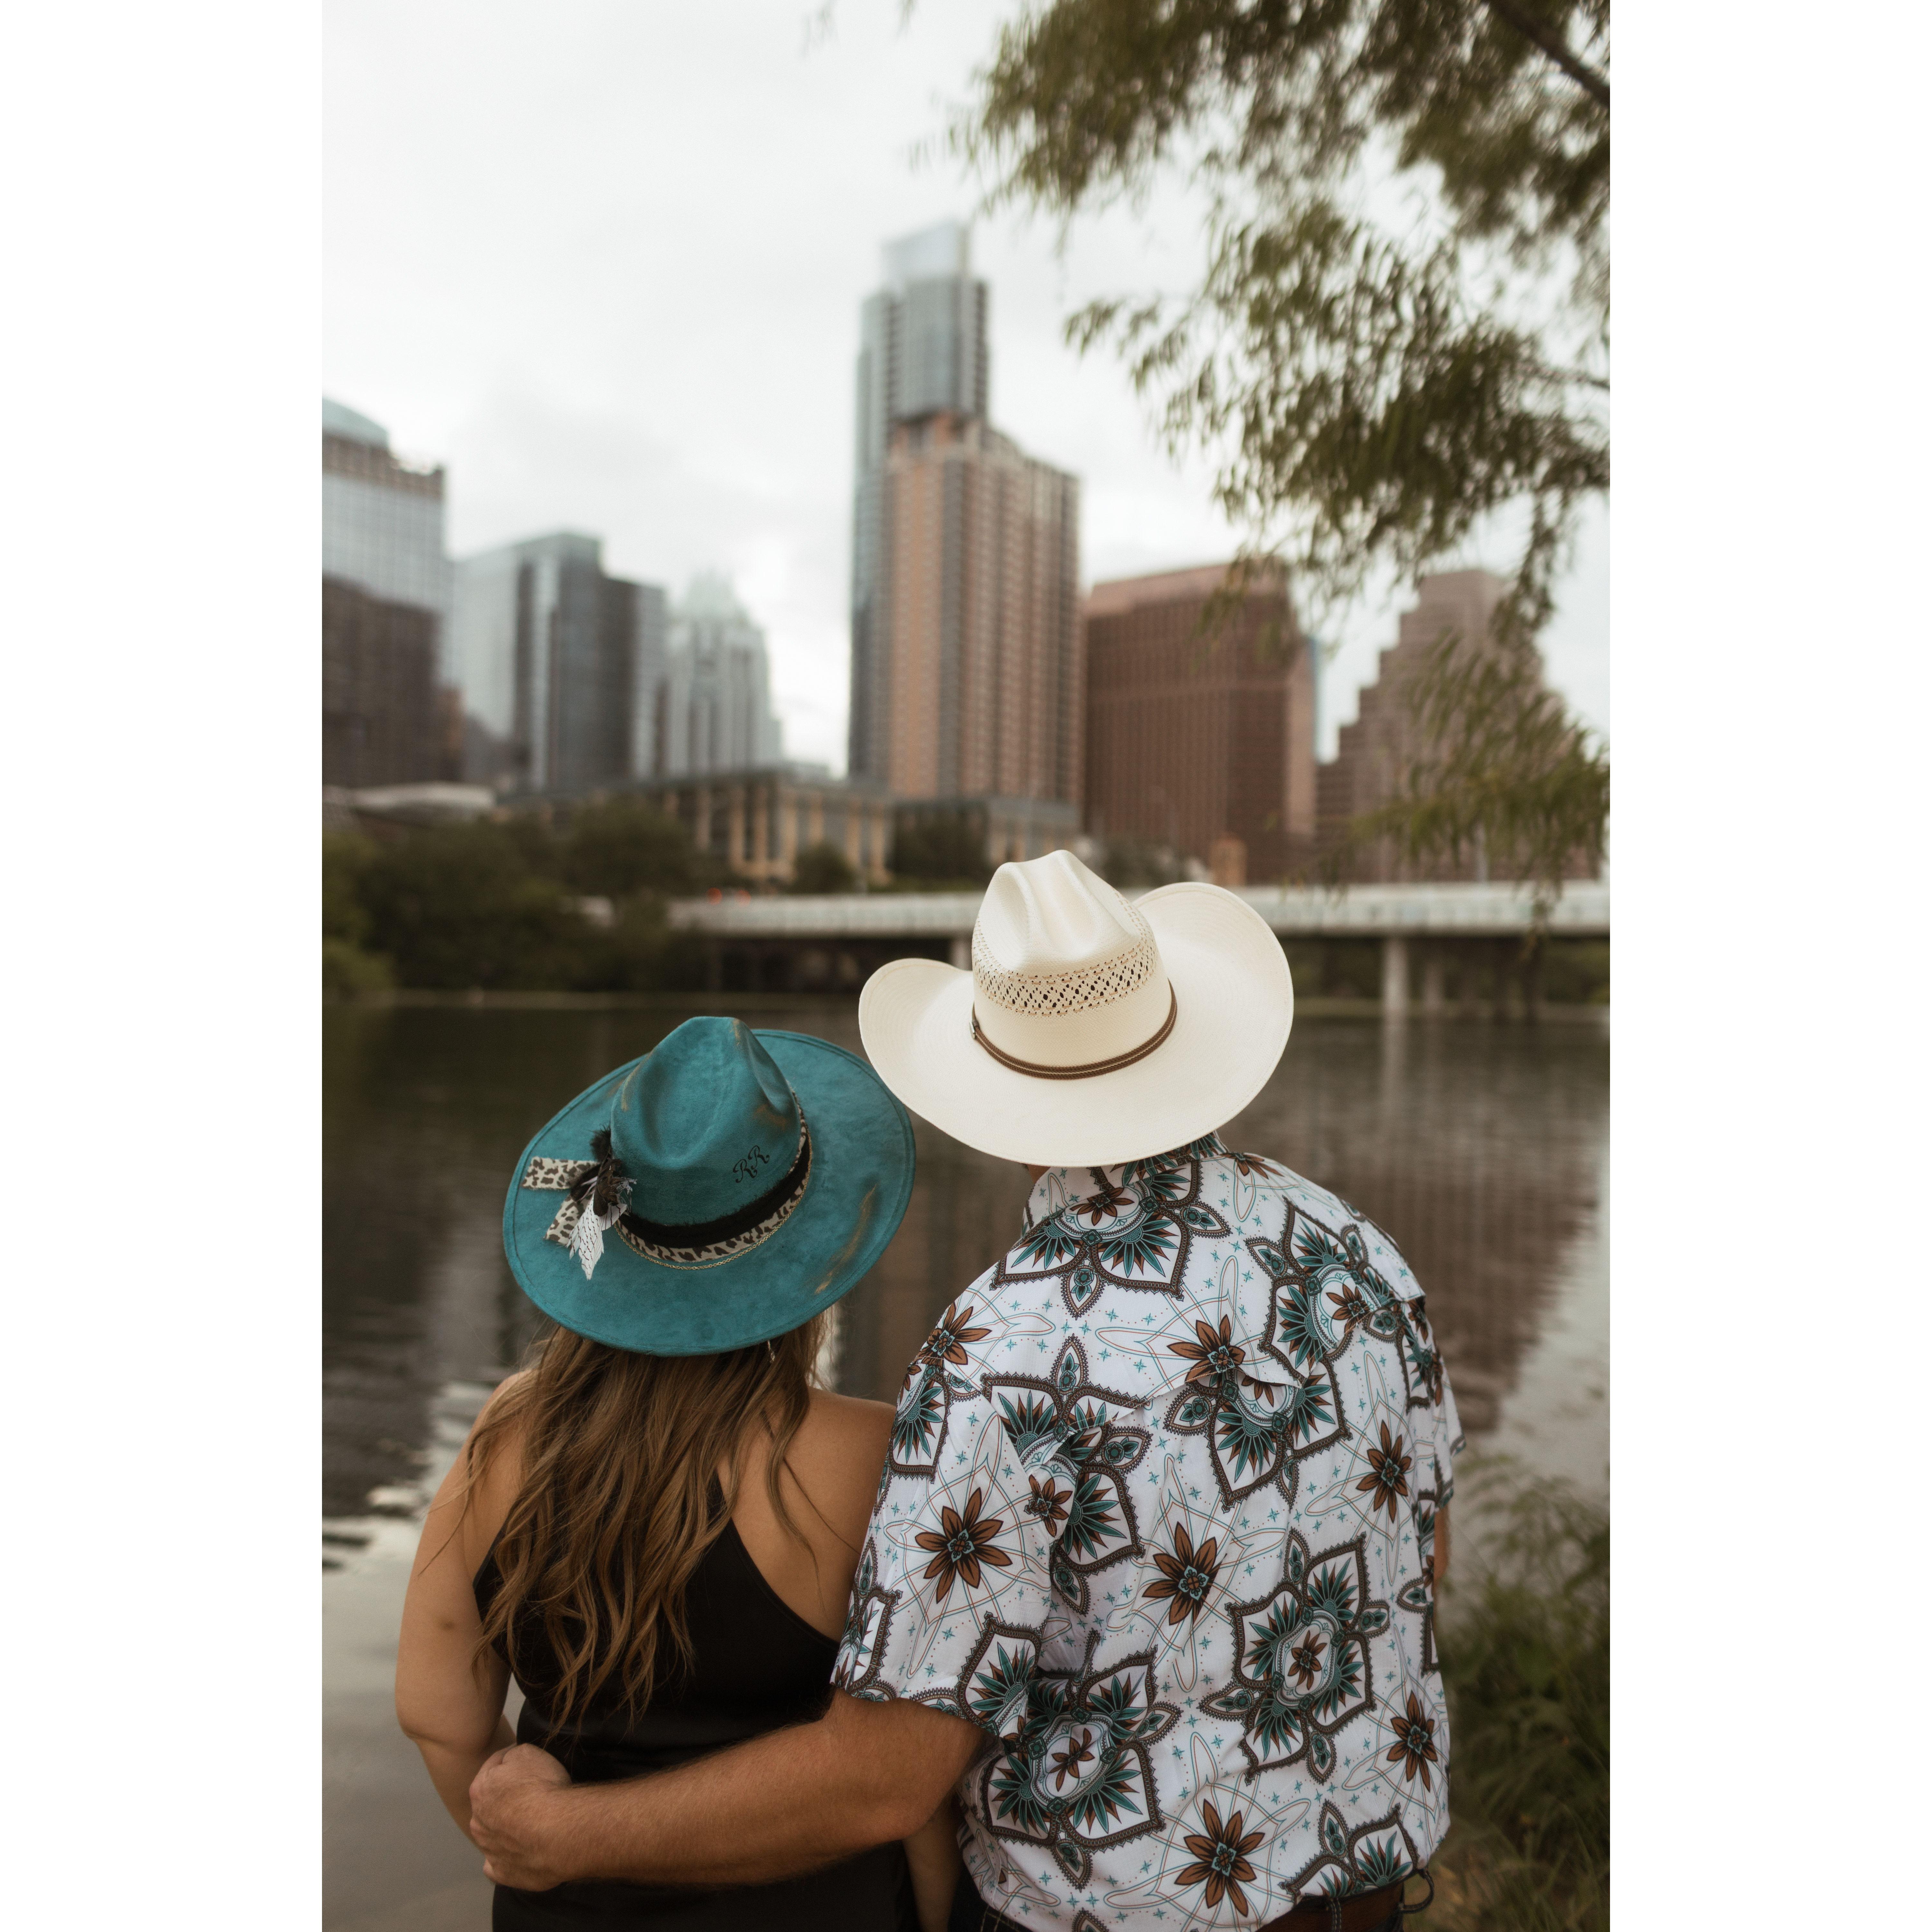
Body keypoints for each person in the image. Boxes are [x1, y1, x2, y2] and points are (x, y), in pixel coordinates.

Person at [469, 854, 1465, 1931]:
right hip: (1364, 1897)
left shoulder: (998, 1358)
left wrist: (561, 1837)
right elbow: (1427, 1552)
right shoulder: (1353, 1246)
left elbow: (886, 1777)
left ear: (994, 1083)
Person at [394, 1014, 964, 1930]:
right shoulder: (873, 1456)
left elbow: (438, 1714)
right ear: (807, 1248)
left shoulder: (506, 1434)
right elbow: (914, 1788)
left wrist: (539, 1856)